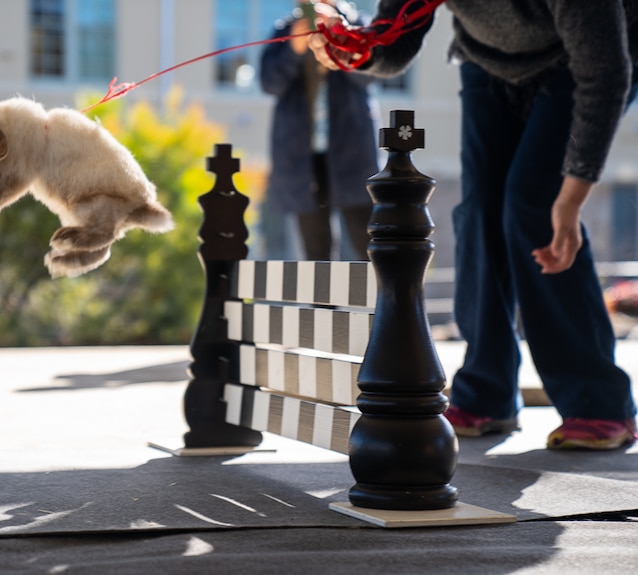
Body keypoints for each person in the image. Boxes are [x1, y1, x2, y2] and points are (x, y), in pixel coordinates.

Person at [308, 0, 638, 450]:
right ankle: (486, 393)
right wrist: (358, 48)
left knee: (532, 206)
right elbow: (396, 40)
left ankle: (599, 404)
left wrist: (573, 194)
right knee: (479, 212)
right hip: (486, 61)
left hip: (588, 60)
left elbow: (605, 73)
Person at [260, 0, 379, 261]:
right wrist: (293, 48)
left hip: (351, 152)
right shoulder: (285, 31)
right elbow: (270, 83)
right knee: (315, 249)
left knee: (368, 240)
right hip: (302, 156)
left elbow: (369, 75)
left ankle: (387, 301)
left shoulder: (357, 25)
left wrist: (340, 37)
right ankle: (323, 304)